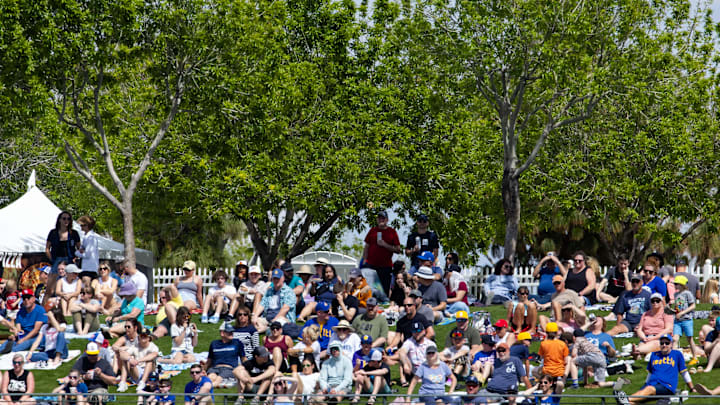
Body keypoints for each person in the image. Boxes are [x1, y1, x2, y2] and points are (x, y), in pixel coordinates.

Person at [614, 334, 695, 405]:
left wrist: (692, 388)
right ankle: (626, 401)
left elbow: (684, 372)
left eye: (667, 343)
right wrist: (644, 387)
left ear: (671, 344)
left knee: (648, 390)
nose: (664, 345)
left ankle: (626, 399)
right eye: (662, 343)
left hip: (667, 386)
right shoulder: (654, 355)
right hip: (652, 384)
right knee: (634, 402)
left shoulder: (677, 354)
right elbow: (650, 373)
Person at [362, 210, 402, 295]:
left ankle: (383, 307)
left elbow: (398, 249)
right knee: (370, 289)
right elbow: (366, 246)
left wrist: (385, 245)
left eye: (383, 218)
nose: (381, 220)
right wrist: (364, 260)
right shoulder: (372, 230)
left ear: (387, 220)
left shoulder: (392, 232)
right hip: (371, 265)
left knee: (384, 290)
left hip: (385, 266)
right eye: (379, 218)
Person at [45, 211, 82, 296]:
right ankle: (46, 307)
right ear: (59, 220)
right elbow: (47, 248)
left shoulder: (74, 233)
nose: (66, 221)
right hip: (56, 260)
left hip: (69, 260)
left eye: (68, 219)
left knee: (70, 284)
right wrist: (52, 260)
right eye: (64, 218)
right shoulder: (53, 233)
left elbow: (80, 248)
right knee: (51, 287)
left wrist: (75, 258)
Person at [0, 288, 47, 353]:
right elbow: (19, 329)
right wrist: (16, 335)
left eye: (28, 298)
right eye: (24, 298)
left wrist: (23, 340)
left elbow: (36, 330)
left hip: (37, 336)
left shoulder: (40, 310)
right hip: (24, 335)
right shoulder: (20, 312)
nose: (26, 300)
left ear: (33, 298)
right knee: (4, 347)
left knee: (15, 349)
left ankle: (12, 351)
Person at [631, 292, 674, 360]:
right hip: (647, 337)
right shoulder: (645, 314)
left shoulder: (666, 313)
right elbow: (639, 328)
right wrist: (643, 337)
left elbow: (669, 329)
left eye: (657, 301)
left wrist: (654, 338)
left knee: (655, 344)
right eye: (653, 301)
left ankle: (637, 351)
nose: (655, 303)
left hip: (660, 338)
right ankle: (639, 353)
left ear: (661, 302)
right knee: (644, 345)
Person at [117, 326, 159, 392]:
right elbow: (122, 355)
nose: (143, 337)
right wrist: (129, 359)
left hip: (149, 372)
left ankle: (142, 382)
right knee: (126, 360)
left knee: (149, 361)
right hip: (137, 372)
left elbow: (154, 355)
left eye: (145, 336)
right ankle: (123, 383)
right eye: (141, 336)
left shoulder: (153, 346)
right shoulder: (135, 346)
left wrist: (138, 360)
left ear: (149, 338)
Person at [205, 322, 246, 388]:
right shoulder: (214, 344)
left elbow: (243, 358)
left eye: (232, 332)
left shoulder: (237, 343)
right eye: (229, 332)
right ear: (222, 333)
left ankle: (204, 389)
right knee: (210, 377)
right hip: (215, 368)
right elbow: (209, 360)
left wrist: (246, 370)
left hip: (229, 368)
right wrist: (203, 370)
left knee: (218, 379)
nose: (232, 333)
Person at [398, 322, 438, 387]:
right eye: (414, 331)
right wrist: (405, 364)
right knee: (402, 357)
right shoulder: (409, 342)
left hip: (427, 368)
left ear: (424, 331)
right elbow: (402, 352)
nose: (416, 333)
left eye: (419, 331)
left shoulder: (430, 344)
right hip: (413, 370)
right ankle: (403, 380)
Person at [671, 275, 699, 366]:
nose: (675, 285)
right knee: (675, 339)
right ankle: (674, 359)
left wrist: (682, 313)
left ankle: (695, 357)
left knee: (690, 339)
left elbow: (693, 306)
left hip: (687, 320)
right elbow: (677, 308)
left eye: (676, 284)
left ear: (682, 284)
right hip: (677, 321)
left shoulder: (687, 293)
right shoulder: (676, 295)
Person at [76, 215, 100, 285]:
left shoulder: (91, 238)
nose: (81, 227)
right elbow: (82, 249)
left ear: (87, 225)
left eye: (82, 225)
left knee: (87, 288)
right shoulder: (86, 236)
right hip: (86, 267)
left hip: (89, 268)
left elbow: (87, 254)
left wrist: (77, 253)